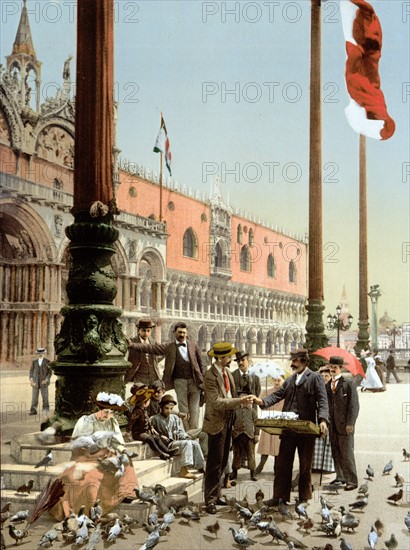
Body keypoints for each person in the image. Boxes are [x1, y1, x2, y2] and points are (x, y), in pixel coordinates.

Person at [253, 348, 329, 506]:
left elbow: (322, 400)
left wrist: (322, 420)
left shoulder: (315, 378)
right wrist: (262, 402)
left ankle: (304, 497)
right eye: (292, 360)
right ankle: (279, 496)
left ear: (304, 361)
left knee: (305, 465)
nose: (292, 363)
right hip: (288, 428)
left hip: (306, 429)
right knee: (282, 463)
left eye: (295, 360)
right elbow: (278, 395)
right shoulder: (290, 379)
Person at [50, 392, 137, 520]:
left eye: (111, 412)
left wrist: (123, 450)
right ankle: (85, 509)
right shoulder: (86, 421)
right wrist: (93, 450)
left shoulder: (112, 422)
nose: (108, 415)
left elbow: (115, 442)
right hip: (87, 456)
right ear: (98, 410)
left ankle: (125, 492)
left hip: (106, 454)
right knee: (90, 477)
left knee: (125, 460)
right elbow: (79, 444)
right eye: (105, 412)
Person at [202, 342, 256, 514]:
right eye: (229, 356)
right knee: (214, 462)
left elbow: (231, 395)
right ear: (220, 358)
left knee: (224, 460)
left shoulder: (228, 374)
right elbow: (216, 402)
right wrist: (239, 401)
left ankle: (217, 495)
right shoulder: (210, 376)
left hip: (228, 421)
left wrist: (242, 402)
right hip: (216, 422)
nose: (232, 358)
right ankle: (209, 499)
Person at [128, 322, 206, 430]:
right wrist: (133, 345)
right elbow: (151, 348)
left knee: (195, 410)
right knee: (184, 410)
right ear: (175, 333)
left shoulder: (194, 346)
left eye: (183, 333)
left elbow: (201, 364)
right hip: (179, 382)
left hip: (195, 382)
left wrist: (203, 381)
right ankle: (187, 433)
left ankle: (194, 432)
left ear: (186, 333)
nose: (182, 335)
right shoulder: (169, 347)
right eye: (179, 332)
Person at [150, 394, 205, 479]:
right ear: (161, 407)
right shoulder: (155, 419)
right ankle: (183, 470)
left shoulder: (175, 418)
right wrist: (161, 436)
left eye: (171, 409)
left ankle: (201, 466)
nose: (169, 411)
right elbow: (152, 432)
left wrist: (185, 436)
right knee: (187, 444)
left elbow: (180, 431)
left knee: (194, 443)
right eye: (166, 408)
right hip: (167, 446)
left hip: (176, 443)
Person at [326, 356, 360, 491]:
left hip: (345, 425)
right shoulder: (327, 385)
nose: (332, 369)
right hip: (332, 425)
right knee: (336, 451)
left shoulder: (348, 383)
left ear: (341, 368)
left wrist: (350, 423)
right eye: (330, 366)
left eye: (335, 367)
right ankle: (340, 477)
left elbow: (354, 406)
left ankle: (351, 480)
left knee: (347, 453)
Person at [126, 387, 177, 460]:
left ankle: (167, 451)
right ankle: (161, 454)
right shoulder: (137, 411)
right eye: (148, 401)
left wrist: (152, 428)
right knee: (150, 439)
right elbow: (131, 422)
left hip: (145, 432)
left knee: (156, 438)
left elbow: (148, 421)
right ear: (145, 402)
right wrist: (128, 432)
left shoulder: (144, 410)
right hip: (138, 433)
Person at [255, 375, 285, 475]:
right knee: (266, 445)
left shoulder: (286, 392)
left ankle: (277, 468)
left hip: (280, 421)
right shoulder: (267, 391)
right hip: (269, 421)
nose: (276, 382)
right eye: (275, 380)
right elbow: (261, 405)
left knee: (278, 447)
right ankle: (261, 465)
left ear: (283, 380)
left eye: (279, 380)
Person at [231, 390, 260, 481]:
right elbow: (231, 423)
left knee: (251, 454)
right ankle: (234, 472)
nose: (244, 400)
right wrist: (232, 433)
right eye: (242, 398)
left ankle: (253, 473)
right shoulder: (235, 410)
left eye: (246, 398)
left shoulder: (252, 411)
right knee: (236, 454)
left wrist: (256, 434)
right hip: (237, 436)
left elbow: (257, 424)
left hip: (249, 436)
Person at [312, 366, 335, 474]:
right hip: (318, 416)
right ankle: (316, 466)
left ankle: (327, 467)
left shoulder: (332, 388)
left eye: (327, 376)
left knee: (327, 442)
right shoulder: (316, 387)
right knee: (317, 442)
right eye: (322, 376)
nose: (324, 378)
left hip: (329, 417)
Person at [126, 318, 162, 386]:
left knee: (154, 395)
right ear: (138, 330)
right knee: (141, 395)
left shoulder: (153, 342)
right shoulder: (132, 342)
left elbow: (162, 353)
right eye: (143, 330)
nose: (146, 333)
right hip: (139, 375)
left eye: (148, 331)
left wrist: (155, 362)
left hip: (153, 375)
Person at [29, 348, 52, 416]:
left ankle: (45, 410)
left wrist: (46, 380)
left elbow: (49, 372)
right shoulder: (34, 362)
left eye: (41, 353)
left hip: (44, 382)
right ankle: (33, 410)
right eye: (39, 353)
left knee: (45, 397)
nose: (40, 354)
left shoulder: (47, 361)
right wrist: (31, 380)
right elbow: (31, 371)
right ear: (37, 353)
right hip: (35, 382)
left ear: (44, 353)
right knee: (34, 398)